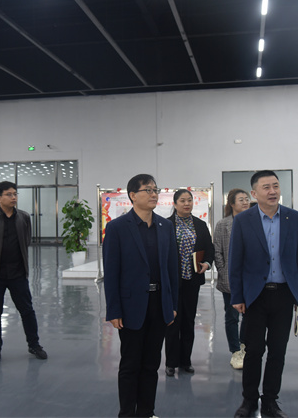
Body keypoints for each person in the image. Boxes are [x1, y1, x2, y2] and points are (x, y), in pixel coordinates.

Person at [229, 170, 298, 418]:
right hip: (255, 296)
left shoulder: (294, 218)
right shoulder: (244, 220)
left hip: (284, 295)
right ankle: (249, 400)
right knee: (254, 351)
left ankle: (270, 401)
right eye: (266, 187)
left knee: (277, 351)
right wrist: (237, 296)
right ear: (254, 193)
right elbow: (235, 260)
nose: (273, 191)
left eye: (276, 186)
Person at [103, 174, 178, 417]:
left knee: (151, 365)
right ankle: (126, 413)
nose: (154, 194)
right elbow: (111, 273)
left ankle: (146, 412)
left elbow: (172, 269)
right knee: (130, 364)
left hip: (159, 304)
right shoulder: (117, 228)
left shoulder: (165, 227)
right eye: (148, 190)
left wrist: (172, 304)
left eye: (156, 190)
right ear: (133, 195)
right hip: (131, 307)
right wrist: (114, 309)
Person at [0, 181, 47, 365]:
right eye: (9, 194)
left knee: (27, 310)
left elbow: (26, 240)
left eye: (15, 194)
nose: (13, 197)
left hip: (18, 273)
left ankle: (34, 345)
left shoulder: (23, 217)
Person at [164, 189, 214, 376]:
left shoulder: (200, 225)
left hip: (192, 280)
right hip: (172, 282)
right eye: (183, 201)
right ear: (175, 204)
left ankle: (186, 360)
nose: (187, 204)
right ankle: (171, 362)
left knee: (188, 321)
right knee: (172, 322)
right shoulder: (166, 225)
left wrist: (207, 263)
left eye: (190, 200)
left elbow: (209, 249)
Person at [214, 188, 250, 370]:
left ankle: (245, 345)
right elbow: (217, 251)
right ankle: (235, 350)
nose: (245, 202)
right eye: (241, 199)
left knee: (250, 316)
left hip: (251, 278)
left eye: (247, 199)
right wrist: (223, 271)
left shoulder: (254, 222)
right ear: (232, 203)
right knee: (232, 316)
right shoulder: (223, 224)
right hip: (230, 279)